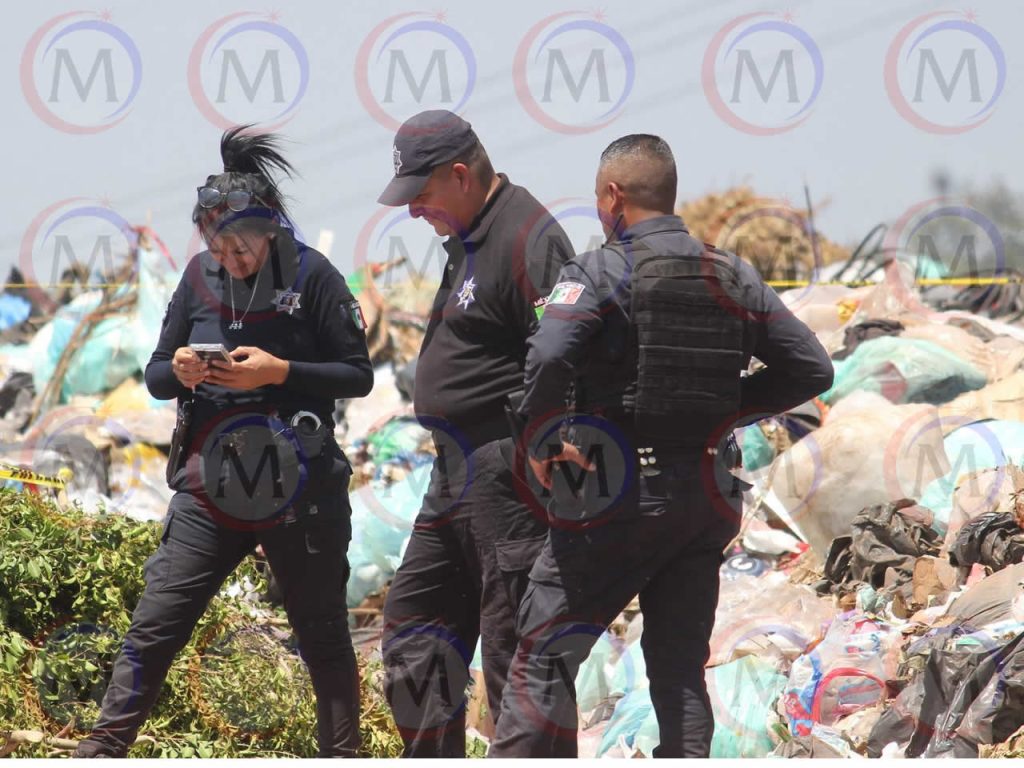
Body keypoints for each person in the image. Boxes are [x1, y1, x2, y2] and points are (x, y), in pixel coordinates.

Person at [487, 134, 834, 757]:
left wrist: (544, 437)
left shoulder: (599, 270)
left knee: (542, 660)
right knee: (678, 671)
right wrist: (725, 412)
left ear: (613, 196)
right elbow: (811, 367)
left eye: (599, 200)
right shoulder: (730, 272)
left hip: (614, 497)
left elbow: (549, 353)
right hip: (706, 498)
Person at [73, 127, 373, 758]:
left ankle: (343, 758)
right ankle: (101, 750)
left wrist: (279, 372)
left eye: (241, 247)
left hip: (298, 487)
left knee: (321, 636)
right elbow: (156, 374)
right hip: (209, 487)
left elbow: (358, 375)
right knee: (155, 624)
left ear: (271, 230)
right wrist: (181, 368)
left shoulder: (315, 276)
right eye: (217, 248)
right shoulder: (198, 277)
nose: (230, 260)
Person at [375, 110, 574, 757]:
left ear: (460, 175)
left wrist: (545, 441)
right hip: (453, 471)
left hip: (507, 471)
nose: (413, 211)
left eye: (421, 194)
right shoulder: (469, 241)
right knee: (415, 628)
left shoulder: (526, 237)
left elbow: (567, 352)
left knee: (517, 654)